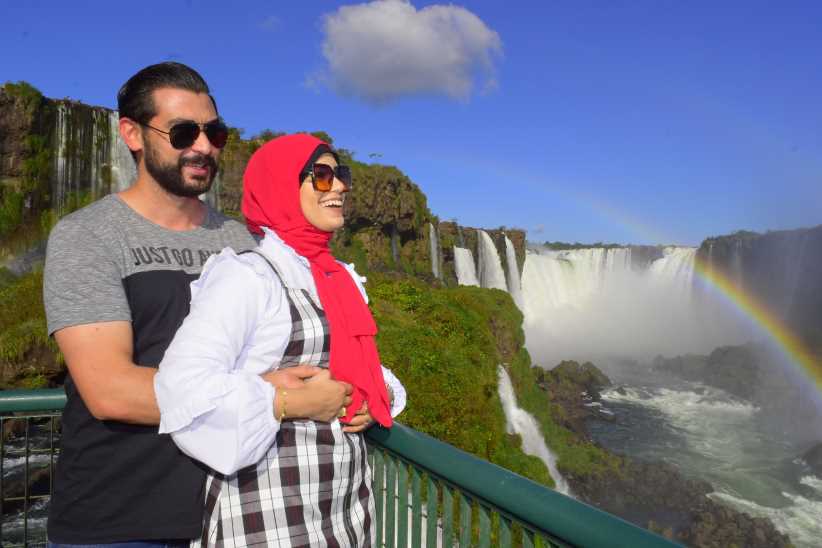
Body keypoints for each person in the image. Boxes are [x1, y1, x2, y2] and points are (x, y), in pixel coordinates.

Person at [43, 63, 351, 547]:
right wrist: (276, 398)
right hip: (121, 520)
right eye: (184, 132)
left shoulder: (247, 242)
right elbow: (109, 391)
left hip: (240, 513)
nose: (203, 147)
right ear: (132, 134)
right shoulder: (88, 237)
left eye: (215, 133)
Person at [154, 133, 406, 547]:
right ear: (281, 187)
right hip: (267, 510)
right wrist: (286, 402)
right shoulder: (248, 276)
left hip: (344, 506)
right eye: (321, 176)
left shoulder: (337, 277)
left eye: (341, 175)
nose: (339, 186)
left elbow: (364, 368)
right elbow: (180, 387)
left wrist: (372, 397)